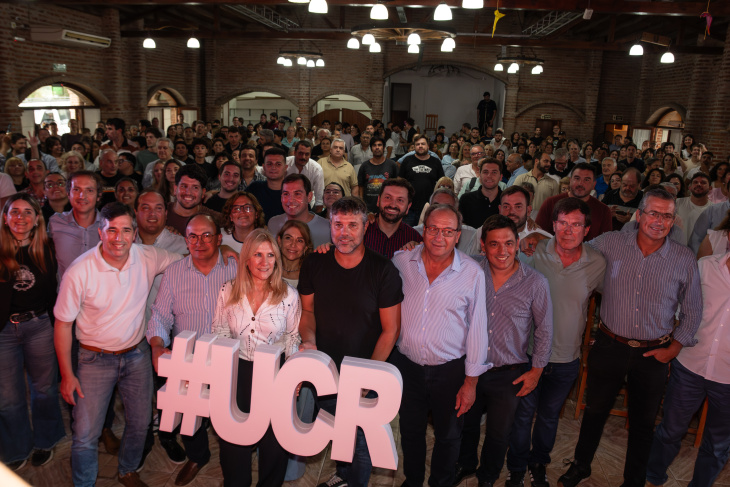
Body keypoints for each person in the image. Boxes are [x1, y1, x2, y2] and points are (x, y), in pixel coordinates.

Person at [558, 188, 703, 487]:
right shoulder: (610, 243)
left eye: (667, 216)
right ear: (639, 215)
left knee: (643, 423)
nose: (659, 221)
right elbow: (574, 247)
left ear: (673, 220)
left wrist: (674, 348)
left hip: (653, 354)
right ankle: (581, 466)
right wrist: (536, 240)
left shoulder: (683, 258)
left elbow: (693, 310)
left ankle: (633, 480)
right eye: (653, 213)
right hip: (610, 345)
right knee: (594, 411)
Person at [54, 203, 184, 487]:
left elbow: (186, 259)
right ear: (100, 232)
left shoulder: (147, 256)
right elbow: (62, 324)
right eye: (111, 230)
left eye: (126, 230)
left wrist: (223, 249)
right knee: (85, 434)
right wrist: (66, 374)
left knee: (140, 423)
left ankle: (127, 470)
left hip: (136, 355)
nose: (119, 238)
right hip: (94, 359)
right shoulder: (79, 271)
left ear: (134, 233)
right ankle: (84, 483)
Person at [298, 197, 403, 487]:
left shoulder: (383, 270)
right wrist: (309, 342)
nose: (344, 233)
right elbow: (308, 312)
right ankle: (343, 476)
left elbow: (391, 330)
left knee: (362, 443)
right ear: (330, 226)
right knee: (340, 433)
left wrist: (368, 377)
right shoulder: (314, 262)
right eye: (338, 225)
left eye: (352, 225)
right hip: (327, 373)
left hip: (366, 373)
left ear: (366, 226)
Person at [506, 198, 605, 487]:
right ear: (553, 224)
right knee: (522, 415)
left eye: (576, 225)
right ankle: (516, 467)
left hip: (566, 358)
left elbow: (611, 297)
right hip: (528, 353)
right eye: (562, 223)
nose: (568, 230)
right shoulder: (533, 251)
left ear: (586, 229)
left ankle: (538, 463)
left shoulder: (597, 263)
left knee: (549, 417)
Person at [391, 203, 490, 487]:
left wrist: (471, 383)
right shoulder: (401, 262)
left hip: (451, 371)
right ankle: (412, 481)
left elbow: (478, 330)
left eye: (447, 231)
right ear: (423, 231)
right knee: (410, 431)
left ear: (458, 236)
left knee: (448, 435)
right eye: (433, 229)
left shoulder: (472, 273)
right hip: (408, 368)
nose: (439, 237)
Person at [455, 215, 553, 487]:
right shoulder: (469, 269)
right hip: (469, 368)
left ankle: (487, 477)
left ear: (518, 243)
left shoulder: (535, 282)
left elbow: (544, 330)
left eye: (508, 243)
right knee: (465, 423)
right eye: (494, 244)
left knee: (499, 434)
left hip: (508, 372)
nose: (502, 251)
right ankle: (465, 464)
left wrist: (536, 372)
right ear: (483, 246)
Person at [147, 214, 237, 486]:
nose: (200, 242)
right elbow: (160, 315)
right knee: (189, 416)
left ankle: (233, 462)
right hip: (189, 360)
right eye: (193, 236)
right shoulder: (174, 273)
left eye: (207, 235)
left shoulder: (235, 268)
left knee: (229, 415)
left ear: (219, 239)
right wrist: (157, 344)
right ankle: (198, 456)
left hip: (228, 358)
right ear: (186, 241)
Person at [212, 229, 301, 487]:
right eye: (258, 255)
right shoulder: (228, 290)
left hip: (274, 373)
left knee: (274, 443)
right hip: (237, 370)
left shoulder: (288, 295)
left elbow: (292, 338)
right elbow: (219, 331)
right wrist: (218, 371)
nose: (265, 262)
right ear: (247, 259)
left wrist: (293, 375)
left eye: (270, 255)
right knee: (233, 440)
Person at [645, 248, 730, 487]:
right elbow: (679, 309)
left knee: (718, 445)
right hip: (690, 365)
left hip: (728, 378)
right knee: (670, 430)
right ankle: (652, 476)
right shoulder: (704, 266)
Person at [0, 194, 65, 471]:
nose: (21, 217)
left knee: (44, 389)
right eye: (15, 212)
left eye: (28, 212)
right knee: (8, 396)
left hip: (39, 325)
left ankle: (46, 440)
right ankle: (16, 447)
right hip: (4, 330)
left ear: (37, 218)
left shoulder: (48, 248)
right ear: (5, 217)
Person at [535, 163, 613, 240]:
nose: (580, 183)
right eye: (577, 178)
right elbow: (537, 235)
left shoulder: (603, 211)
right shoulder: (550, 203)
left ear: (594, 184)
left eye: (586, 180)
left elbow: (606, 242)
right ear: (570, 180)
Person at [363, 177, 423, 259]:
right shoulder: (362, 230)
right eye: (388, 197)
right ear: (378, 200)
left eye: (400, 200)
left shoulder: (415, 239)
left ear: (408, 207)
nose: (393, 205)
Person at [268, 173, 331, 247]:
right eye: (286, 194)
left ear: (309, 197)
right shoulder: (273, 224)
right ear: (281, 198)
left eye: (297, 194)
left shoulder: (327, 228)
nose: (291, 200)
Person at [399, 135, 445, 226]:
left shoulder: (436, 162)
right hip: (409, 207)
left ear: (428, 146)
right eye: (417, 144)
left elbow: (441, 183)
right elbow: (400, 183)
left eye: (423, 144)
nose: (420, 146)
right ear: (414, 146)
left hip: (430, 207)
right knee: (407, 232)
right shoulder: (407, 160)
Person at [165, 164, 220, 234]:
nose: (188, 192)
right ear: (175, 189)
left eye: (195, 187)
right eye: (184, 186)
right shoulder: (159, 212)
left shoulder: (215, 219)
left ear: (203, 193)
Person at [357, 135, 398, 213]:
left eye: (379, 145)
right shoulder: (364, 166)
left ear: (384, 148)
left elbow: (397, 186)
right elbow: (361, 186)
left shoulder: (392, 165)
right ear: (371, 148)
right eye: (374, 145)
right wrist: (362, 203)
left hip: (387, 206)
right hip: (368, 208)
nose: (377, 147)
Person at [248, 147, 289, 223]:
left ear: (285, 167)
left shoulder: (293, 192)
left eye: (278, 164)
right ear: (264, 167)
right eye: (269, 164)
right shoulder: (254, 188)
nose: (273, 167)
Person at [459, 158, 502, 229]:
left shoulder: (507, 201)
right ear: (480, 175)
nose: (489, 176)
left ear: (500, 177)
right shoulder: (466, 199)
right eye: (485, 172)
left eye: (494, 172)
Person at [513, 151, 559, 218]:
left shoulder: (553, 183)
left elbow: (555, 206)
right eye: (546, 161)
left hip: (542, 221)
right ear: (536, 161)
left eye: (550, 162)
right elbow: (513, 199)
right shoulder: (521, 179)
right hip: (523, 219)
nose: (549, 164)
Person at [286, 140, 325, 212]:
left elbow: (319, 199)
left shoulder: (316, 169)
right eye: (300, 153)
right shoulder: (285, 163)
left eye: (307, 154)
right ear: (294, 153)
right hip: (286, 202)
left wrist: (317, 217)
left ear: (310, 155)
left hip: (307, 204)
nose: (303, 157)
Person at [675, 173, 712, 245]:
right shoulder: (678, 203)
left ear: (710, 188)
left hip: (701, 250)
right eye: (695, 182)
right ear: (690, 187)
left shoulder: (714, 209)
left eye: (703, 182)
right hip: (678, 248)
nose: (699, 184)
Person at [276, 220, 313, 287]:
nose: (293, 245)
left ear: (306, 247)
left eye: (299, 240)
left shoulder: (311, 274)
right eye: (288, 238)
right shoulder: (268, 269)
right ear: (279, 241)